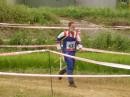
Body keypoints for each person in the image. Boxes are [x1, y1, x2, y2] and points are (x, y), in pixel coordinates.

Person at [56, 21, 83, 88]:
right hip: (66, 52)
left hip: (73, 52)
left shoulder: (76, 34)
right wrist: (59, 50)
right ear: (69, 26)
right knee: (70, 66)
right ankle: (71, 82)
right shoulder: (64, 33)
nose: (73, 28)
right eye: (72, 26)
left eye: (74, 27)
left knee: (71, 66)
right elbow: (57, 40)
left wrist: (80, 47)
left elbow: (79, 42)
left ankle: (62, 71)